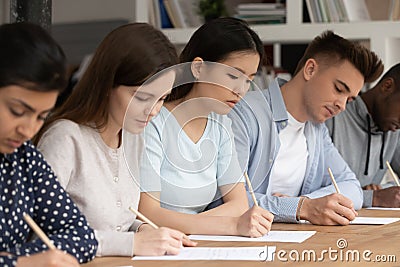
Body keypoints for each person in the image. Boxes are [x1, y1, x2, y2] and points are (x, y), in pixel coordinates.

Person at [35, 23, 195, 257]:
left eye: (162, 98)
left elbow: (119, 222)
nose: (153, 111)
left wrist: (148, 231)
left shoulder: (133, 136)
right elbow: (39, 235)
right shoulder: (65, 139)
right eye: (142, 97)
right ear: (107, 84)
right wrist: (131, 243)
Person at [228, 30, 384, 225]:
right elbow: (225, 198)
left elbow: (351, 186)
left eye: (349, 99)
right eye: (339, 89)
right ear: (310, 69)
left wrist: (306, 204)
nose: (342, 105)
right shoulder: (244, 114)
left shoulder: (317, 131)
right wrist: (300, 208)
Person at [139, 17, 274, 237]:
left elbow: (239, 204)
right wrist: (227, 225)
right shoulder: (153, 121)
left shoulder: (221, 126)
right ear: (199, 67)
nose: (241, 90)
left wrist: (190, 227)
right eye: (233, 75)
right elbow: (148, 213)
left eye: (249, 80)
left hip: (192, 244)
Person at [0, 22, 97, 267]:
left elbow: (81, 235)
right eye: (17, 111)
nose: (28, 130)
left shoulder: (22, 157)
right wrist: (19, 262)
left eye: (41, 116)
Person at [326, 63, 400, 208]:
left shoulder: (393, 128)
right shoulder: (332, 116)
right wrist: (371, 197)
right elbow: (310, 192)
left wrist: (386, 189)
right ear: (387, 86)